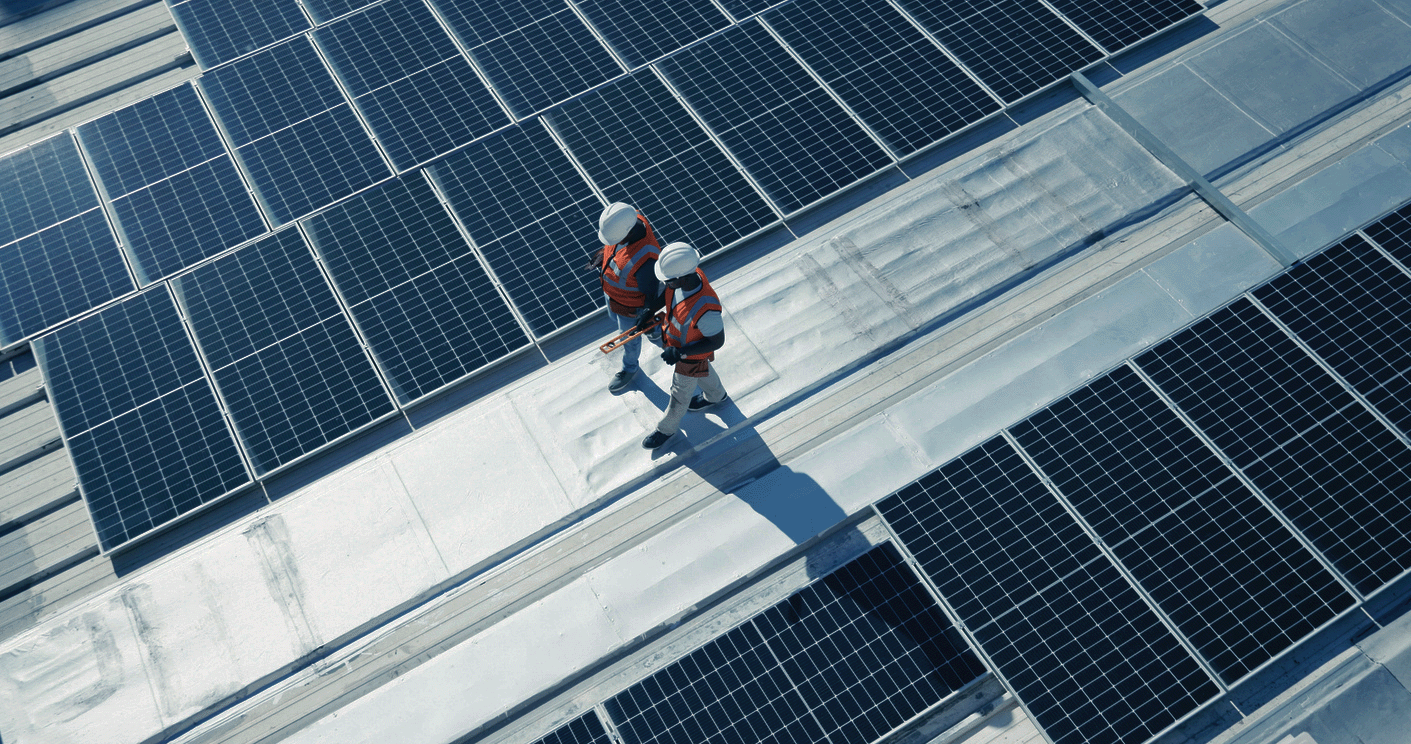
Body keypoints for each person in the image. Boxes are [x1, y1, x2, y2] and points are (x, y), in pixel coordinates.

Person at [639, 242, 729, 450]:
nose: (666, 284)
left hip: (688, 355)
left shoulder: (706, 309)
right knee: (703, 371)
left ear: (682, 278)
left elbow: (717, 341)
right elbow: (669, 294)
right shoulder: (687, 274)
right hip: (681, 347)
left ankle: (666, 429)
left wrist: (681, 353)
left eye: (668, 281)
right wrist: (649, 310)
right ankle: (717, 396)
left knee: (679, 395)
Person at [593, 202, 663, 393]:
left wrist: (646, 314)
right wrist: (602, 255)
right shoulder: (627, 219)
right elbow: (616, 249)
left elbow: (650, 295)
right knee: (615, 319)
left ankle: (630, 368)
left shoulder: (645, 260)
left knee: (630, 341)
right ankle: (655, 330)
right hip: (614, 299)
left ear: (629, 232)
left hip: (631, 309)